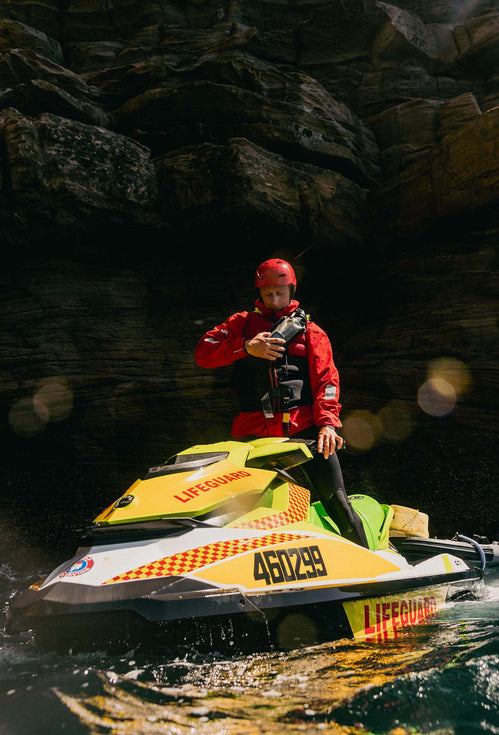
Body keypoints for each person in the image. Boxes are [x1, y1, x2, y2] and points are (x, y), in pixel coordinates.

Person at [195, 258, 369, 547]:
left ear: (291, 289)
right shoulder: (241, 324)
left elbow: (328, 382)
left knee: (338, 503)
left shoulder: (312, 333)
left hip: (307, 432)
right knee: (240, 511)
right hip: (253, 436)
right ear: (259, 293)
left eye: (280, 293)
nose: (274, 300)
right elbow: (204, 353)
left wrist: (327, 425)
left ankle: (376, 571)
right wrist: (246, 347)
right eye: (267, 294)